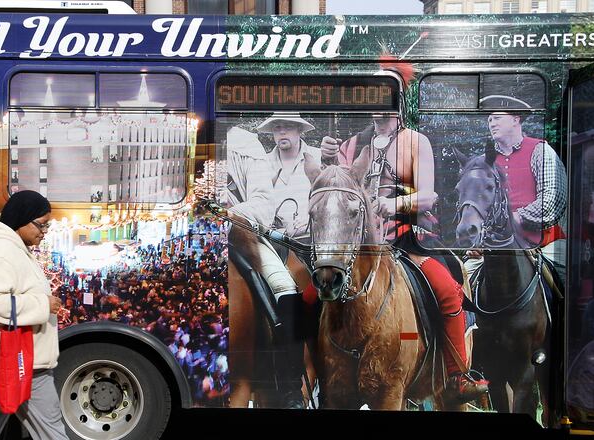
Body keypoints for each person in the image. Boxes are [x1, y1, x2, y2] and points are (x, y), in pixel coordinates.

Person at [322, 114, 489, 402]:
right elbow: (334, 192)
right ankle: (301, 375)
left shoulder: (416, 142)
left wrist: (395, 203)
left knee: (448, 290)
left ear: (397, 102)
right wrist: (327, 160)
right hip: (357, 248)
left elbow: (428, 197)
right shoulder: (351, 145)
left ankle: (457, 375)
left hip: (405, 240)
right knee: (312, 288)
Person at [223, 114, 321, 408]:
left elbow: (264, 205)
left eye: (286, 126)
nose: (281, 132)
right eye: (277, 127)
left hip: (239, 234)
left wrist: (225, 216)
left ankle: (291, 385)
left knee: (285, 287)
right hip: (183, 239)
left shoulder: (244, 144)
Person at [0, 190, 68, 440]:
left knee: (48, 427)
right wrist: (42, 305)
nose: (44, 231)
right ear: (21, 220)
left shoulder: (14, 248)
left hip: (22, 360)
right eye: (41, 224)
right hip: (3, 362)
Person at [464, 95, 567, 280]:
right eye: (489, 120)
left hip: (543, 244)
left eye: (497, 118)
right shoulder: (483, 161)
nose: (491, 124)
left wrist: (514, 220)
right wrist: (476, 241)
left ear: (515, 119)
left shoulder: (540, 151)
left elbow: (553, 200)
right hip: (496, 247)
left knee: (566, 282)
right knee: (462, 283)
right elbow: (475, 208)